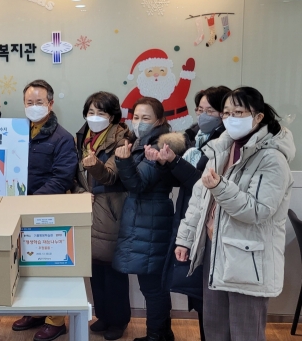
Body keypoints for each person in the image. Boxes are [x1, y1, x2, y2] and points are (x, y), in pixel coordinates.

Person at [175, 87, 295, 341]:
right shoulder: (221, 148)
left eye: (238, 112)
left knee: (245, 332)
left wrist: (220, 186)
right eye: (227, 113)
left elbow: (257, 211)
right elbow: (200, 199)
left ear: (258, 117)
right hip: (215, 248)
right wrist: (185, 238)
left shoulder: (272, 158)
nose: (231, 118)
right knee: (215, 328)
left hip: (249, 258)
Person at [0, 80, 77, 341]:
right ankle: (35, 312)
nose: (34, 107)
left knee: (50, 264)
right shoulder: (18, 130)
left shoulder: (63, 138)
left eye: (39, 102)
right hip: (18, 209)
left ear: (50, 103)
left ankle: (55, 320)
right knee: (25, 263)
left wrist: (32, 200)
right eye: (29, 103)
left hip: (47, 210)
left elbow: (62, 178)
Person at [147, 86, 229, 341]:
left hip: (212, 225)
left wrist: (173, 162)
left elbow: (202, 182)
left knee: (212, 299)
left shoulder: (223, 144)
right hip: (190, 218)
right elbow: (181, 181)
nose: (202, 115)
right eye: (199, 109)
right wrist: (164, 162)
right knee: (200, 294)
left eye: (210, 110)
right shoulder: (194, 138)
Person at [112, 97, 175, 341]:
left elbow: (138, 184)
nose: (139, 122)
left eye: (146, 118)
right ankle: (161, 334)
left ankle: (157, 336)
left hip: (152, 219)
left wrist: (124, 160)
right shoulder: (141, 141)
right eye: (136, 117)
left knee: (153, 286)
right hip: (145, 218)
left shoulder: (160, 144)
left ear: (159, 120)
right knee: (152, 285)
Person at [73, 92, 132, 340]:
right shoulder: (81, 137)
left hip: (110, 210)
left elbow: (110, 176)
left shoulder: (122, 139)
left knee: (113, 269)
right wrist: (79, 193)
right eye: (91, 112)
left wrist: (93, 164)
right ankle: (103, 315)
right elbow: (74, 177)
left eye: (101, 113)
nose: (94, 117)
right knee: (94, 267)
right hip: (87, 209)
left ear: (113, 116)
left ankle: (119, 321)